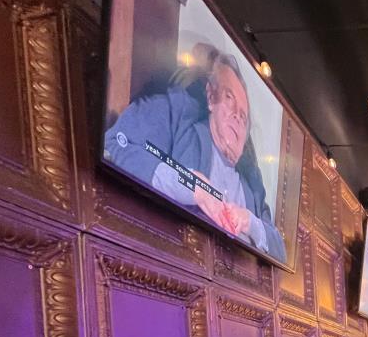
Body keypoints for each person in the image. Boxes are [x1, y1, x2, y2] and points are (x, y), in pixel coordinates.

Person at [104, 49, 286, 261]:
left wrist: (249, 222)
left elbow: (280, 251)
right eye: (229, 98)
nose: (237, 115)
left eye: (244, 116)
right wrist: (192, 186)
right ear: (210, 97)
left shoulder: (252, 185)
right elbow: (117, 142)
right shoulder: (178, 118)